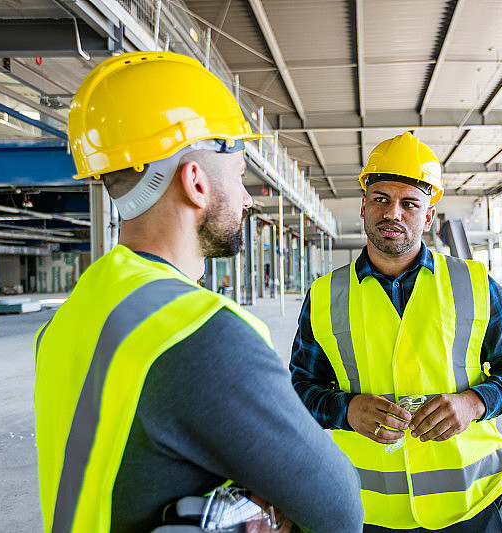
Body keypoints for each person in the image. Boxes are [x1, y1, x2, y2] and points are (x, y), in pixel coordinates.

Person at [33, 51, 363, 533]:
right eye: (240, 174)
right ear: (196, 182)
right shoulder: (200, 332)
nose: (247, 198)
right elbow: (339, 508)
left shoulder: (72, 316)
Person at [290, 132, 502, 531]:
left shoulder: (473, 284)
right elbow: (301, 387)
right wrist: (346, 410)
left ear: (428, 217)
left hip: (471, 504)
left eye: (409, 203)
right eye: (381, 199)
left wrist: (474, 403)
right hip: (370, 509)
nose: (393, 213)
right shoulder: (324, 295)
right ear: (363, 206)